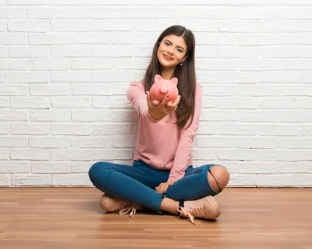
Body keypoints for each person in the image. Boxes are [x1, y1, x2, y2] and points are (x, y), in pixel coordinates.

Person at [88, 25, 230, 224]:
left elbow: (188, 134)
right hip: (143, 172)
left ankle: (138, 199)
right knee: (98, 170)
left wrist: (174, 178)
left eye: (179, 49)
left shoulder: (194, 90)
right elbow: (145, 111)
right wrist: (155, 113)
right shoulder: (137, 88)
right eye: (168, 43)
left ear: (185, 58)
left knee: (220, 175)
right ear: (158, 46)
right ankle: (178, 206)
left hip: (179, 174)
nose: (171, 51)